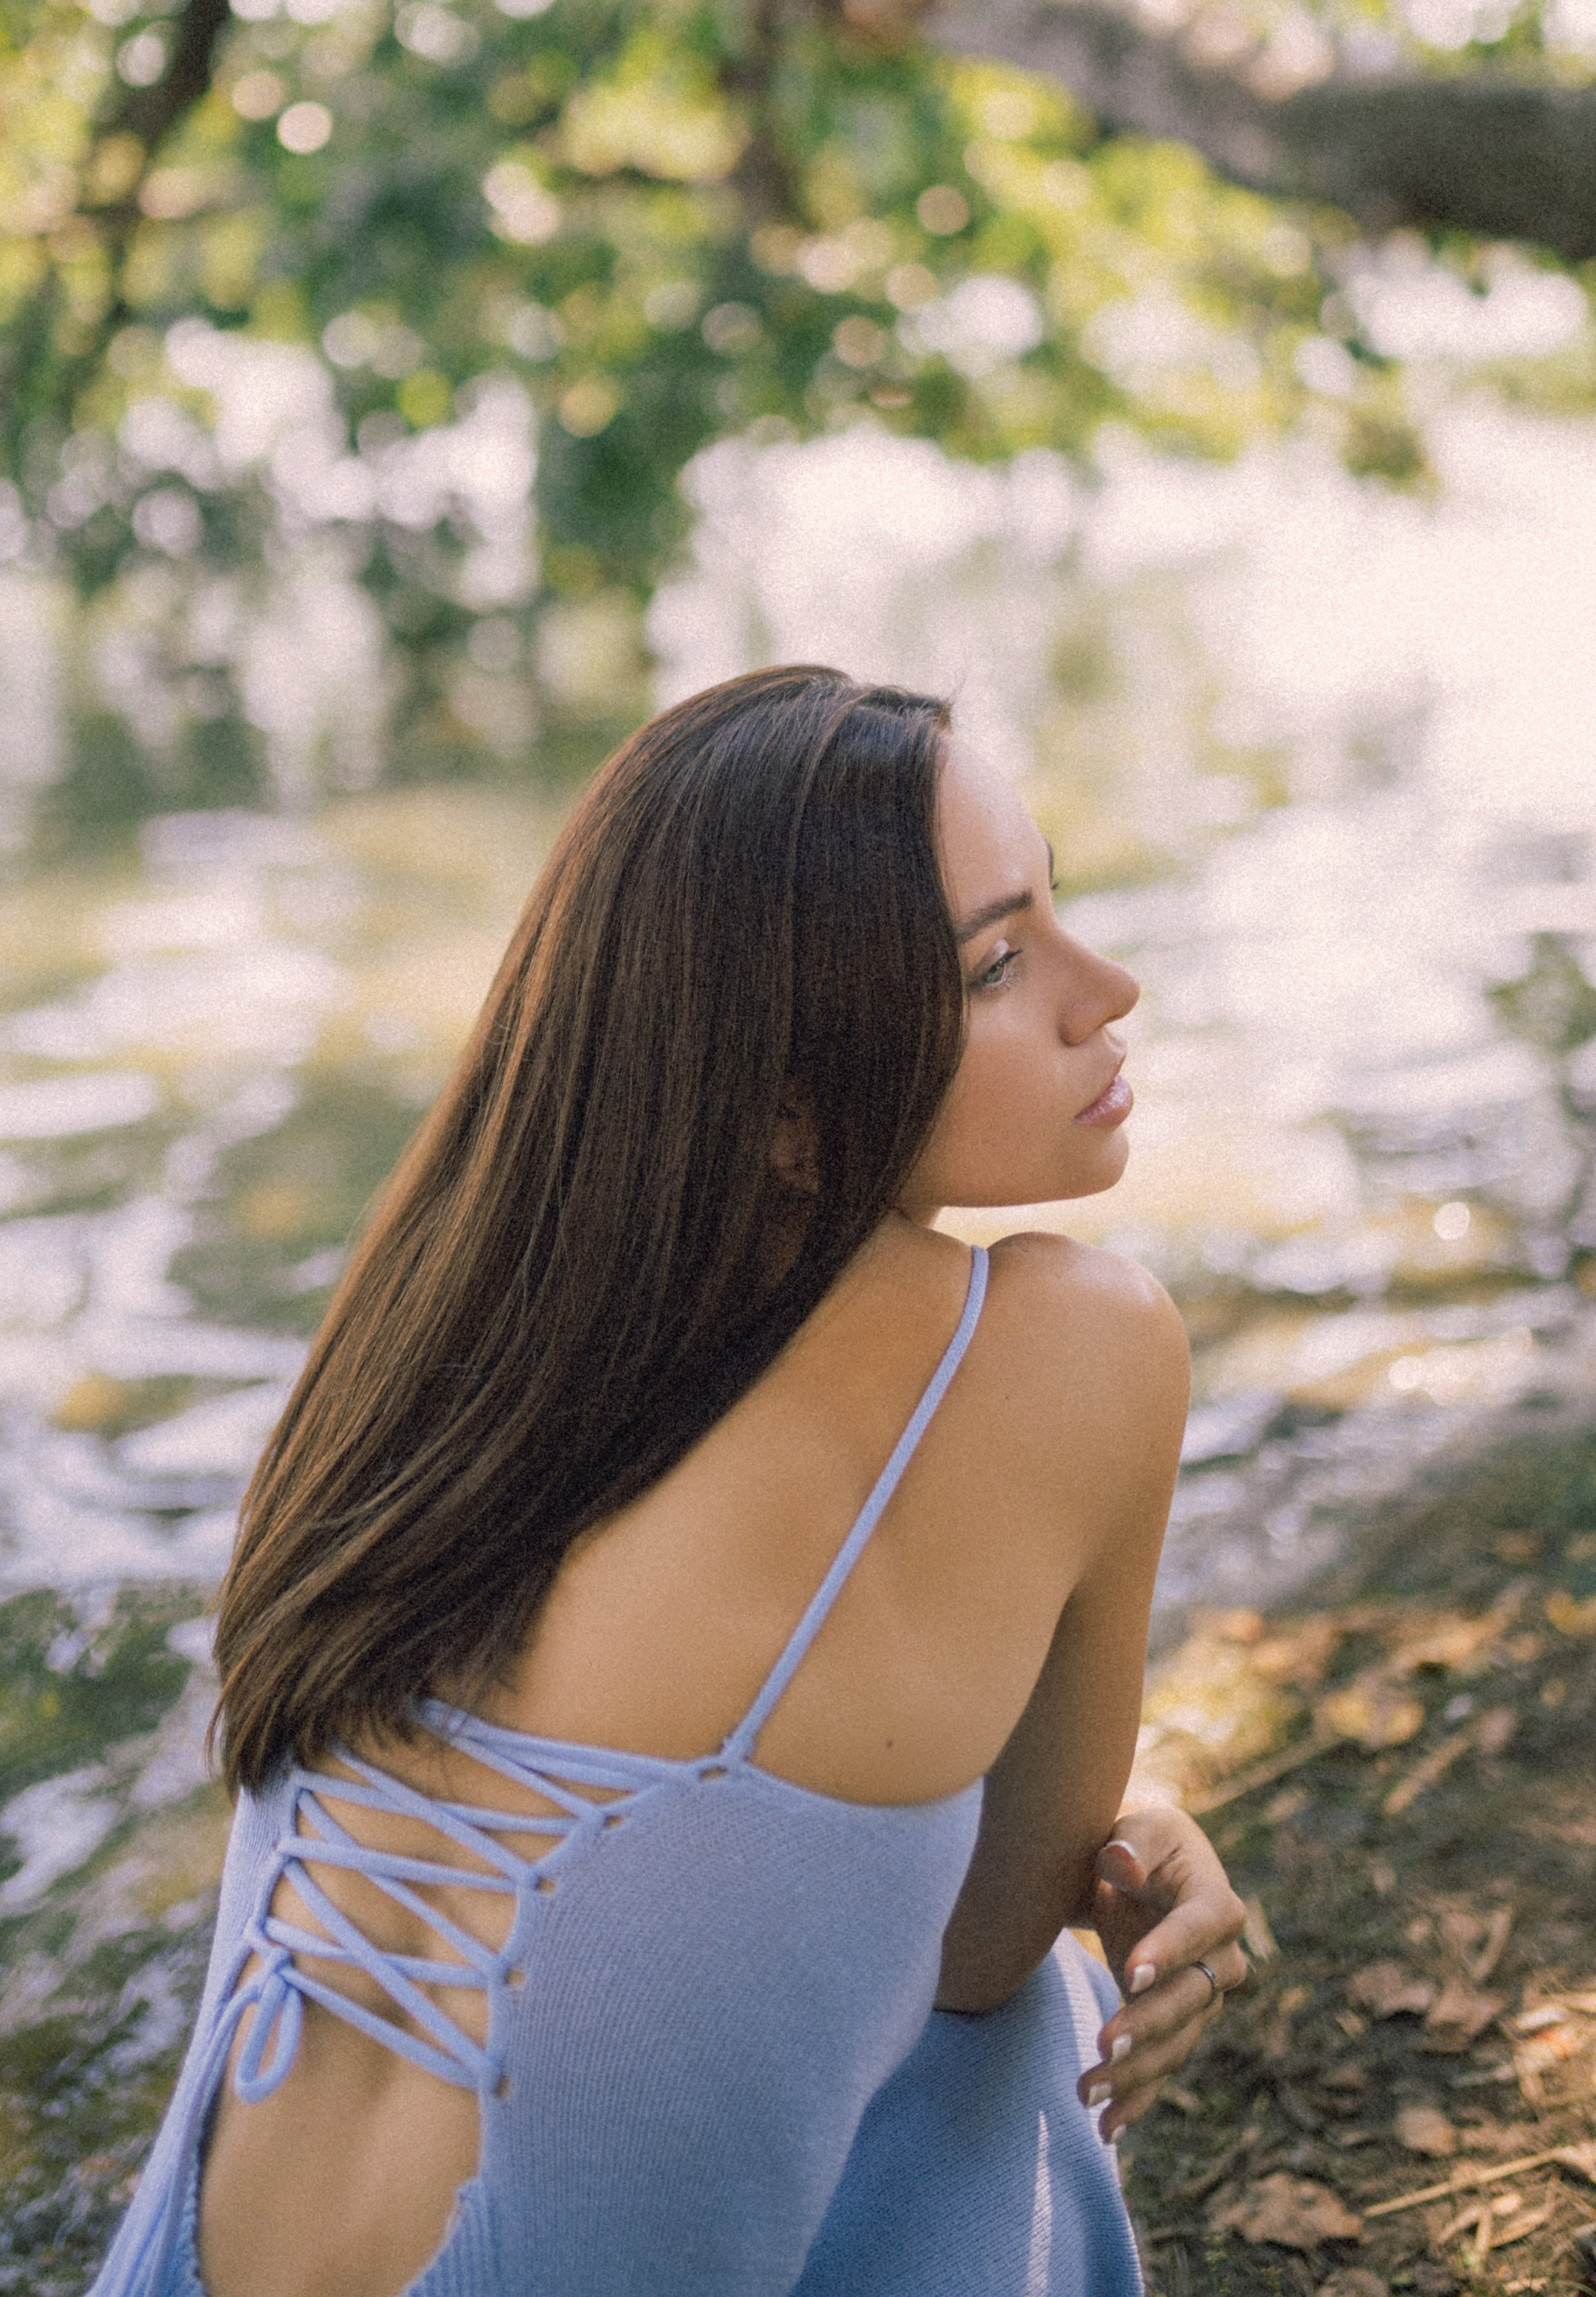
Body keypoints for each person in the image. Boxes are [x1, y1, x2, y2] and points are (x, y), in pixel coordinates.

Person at [90, 668, 1246, 2297]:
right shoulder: (1072, 1343)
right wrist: (1109, 1839)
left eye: (1055, 908)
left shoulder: (418, 1360)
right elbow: (983, 1949)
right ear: (784, 1112)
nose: (1104, 988)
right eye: (995, 964)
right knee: (1007, 2031)